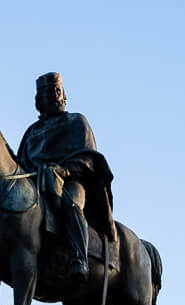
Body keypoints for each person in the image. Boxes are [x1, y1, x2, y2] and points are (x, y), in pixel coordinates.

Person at [17, 72, 115, 279]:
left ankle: (80, 257)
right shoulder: (32, 132)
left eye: (57, 91)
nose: (54, 96)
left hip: (71, 181)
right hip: (35, 186)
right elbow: (19, 166)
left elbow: (89, 159)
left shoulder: (76, 122)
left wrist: (64, 170)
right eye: (48, 92)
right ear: (38, 101)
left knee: (71, 203)